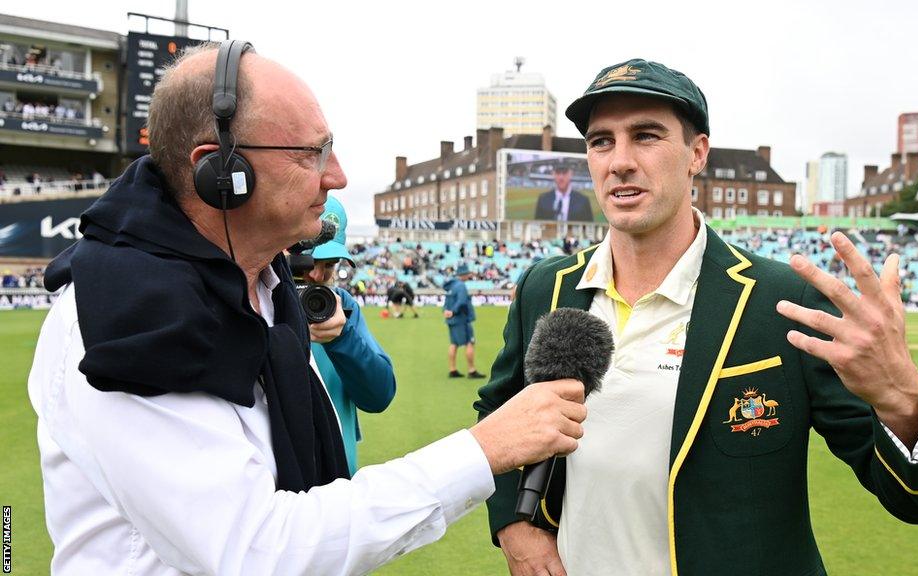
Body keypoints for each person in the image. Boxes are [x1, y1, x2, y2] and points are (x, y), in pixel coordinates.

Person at [28, 41, 589, 576]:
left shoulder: (266, 286)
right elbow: (257, 552)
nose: (337, 176)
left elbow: (367, 402)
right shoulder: (124, 318)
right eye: (310, 153)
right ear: (219, 172)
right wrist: (484, 449)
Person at [475, 58, 918, 576]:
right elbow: (498, 416)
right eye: (601, 141)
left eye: (645, 136)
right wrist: (515, 527)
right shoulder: (546, 287)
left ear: (697, 154)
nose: (619, 161)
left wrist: (901, 398)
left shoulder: (784, 300)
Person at [303, 195, 396, 472]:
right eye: (308, 262)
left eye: (329, 264)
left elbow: (379, 395)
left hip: (339, 480)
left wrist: (343, 340)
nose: (318, 276)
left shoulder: (341, 305)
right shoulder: (262, 302)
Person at [444, 263, 485, 378]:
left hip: (451, 320)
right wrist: (453, 311)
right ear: (463, 274)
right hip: (461, 319)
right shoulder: (461, 286)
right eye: (467, 273)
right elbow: (462, 301)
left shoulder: (451, 285)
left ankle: (452, 369)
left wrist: (447, 311)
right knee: (470, 343)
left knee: (453, 344)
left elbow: (446, 302)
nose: (469, 275)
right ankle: (472, 370)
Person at [533, 158, 594, 222]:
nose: (561, 177)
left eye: (564, 173)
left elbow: (590, 228)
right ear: (553, 174)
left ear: (571, 174)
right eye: (558, 173)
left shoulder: (583, 201)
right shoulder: (543, 199)